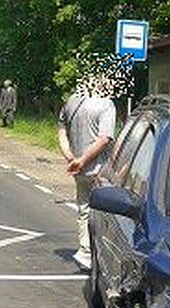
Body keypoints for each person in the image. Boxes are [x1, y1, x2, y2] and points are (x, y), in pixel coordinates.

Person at [57, 77, 116, 271]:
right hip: (100, 170)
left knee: (84, 210)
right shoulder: (106, 105)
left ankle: (86, 253)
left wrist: (71, 158)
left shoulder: (71, 102)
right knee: (106, 213)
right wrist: (83, 159)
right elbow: (104, 139)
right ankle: (101, 256)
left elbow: (61, 131)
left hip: (79, 170)